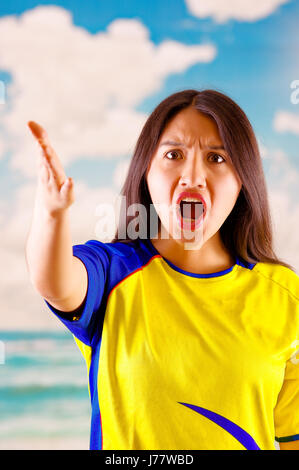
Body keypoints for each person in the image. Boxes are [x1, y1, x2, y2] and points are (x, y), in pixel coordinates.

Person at [25, 89, 299, 450]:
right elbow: (56, 283)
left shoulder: (284, 293)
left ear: (242, 182)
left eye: (217, 158)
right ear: (146, 172)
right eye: (174, 154)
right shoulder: (112, 272)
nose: (193, 176)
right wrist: (51, 213)